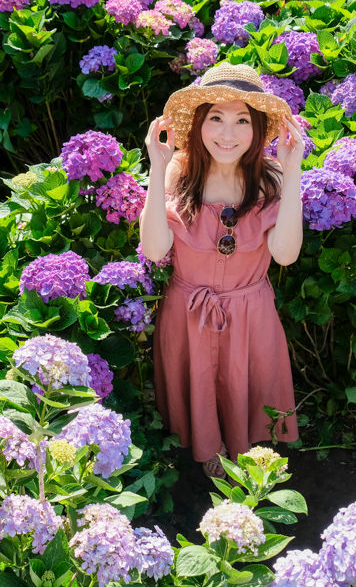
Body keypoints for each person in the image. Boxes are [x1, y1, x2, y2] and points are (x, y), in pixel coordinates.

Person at [139, 62, 304, 478]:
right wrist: (157, 167)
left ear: (257, 128)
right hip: (188, 312)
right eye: (216, 118)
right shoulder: (179, 172)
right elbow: (156, 249)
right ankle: (209, 460)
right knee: (199, 390)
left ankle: (246, 460)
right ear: (199, 124)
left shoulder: (268, 179)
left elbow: (285, 255)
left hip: (251, 314)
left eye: (241, 121)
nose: (227, 134)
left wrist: (292, 168)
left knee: (243, 389)